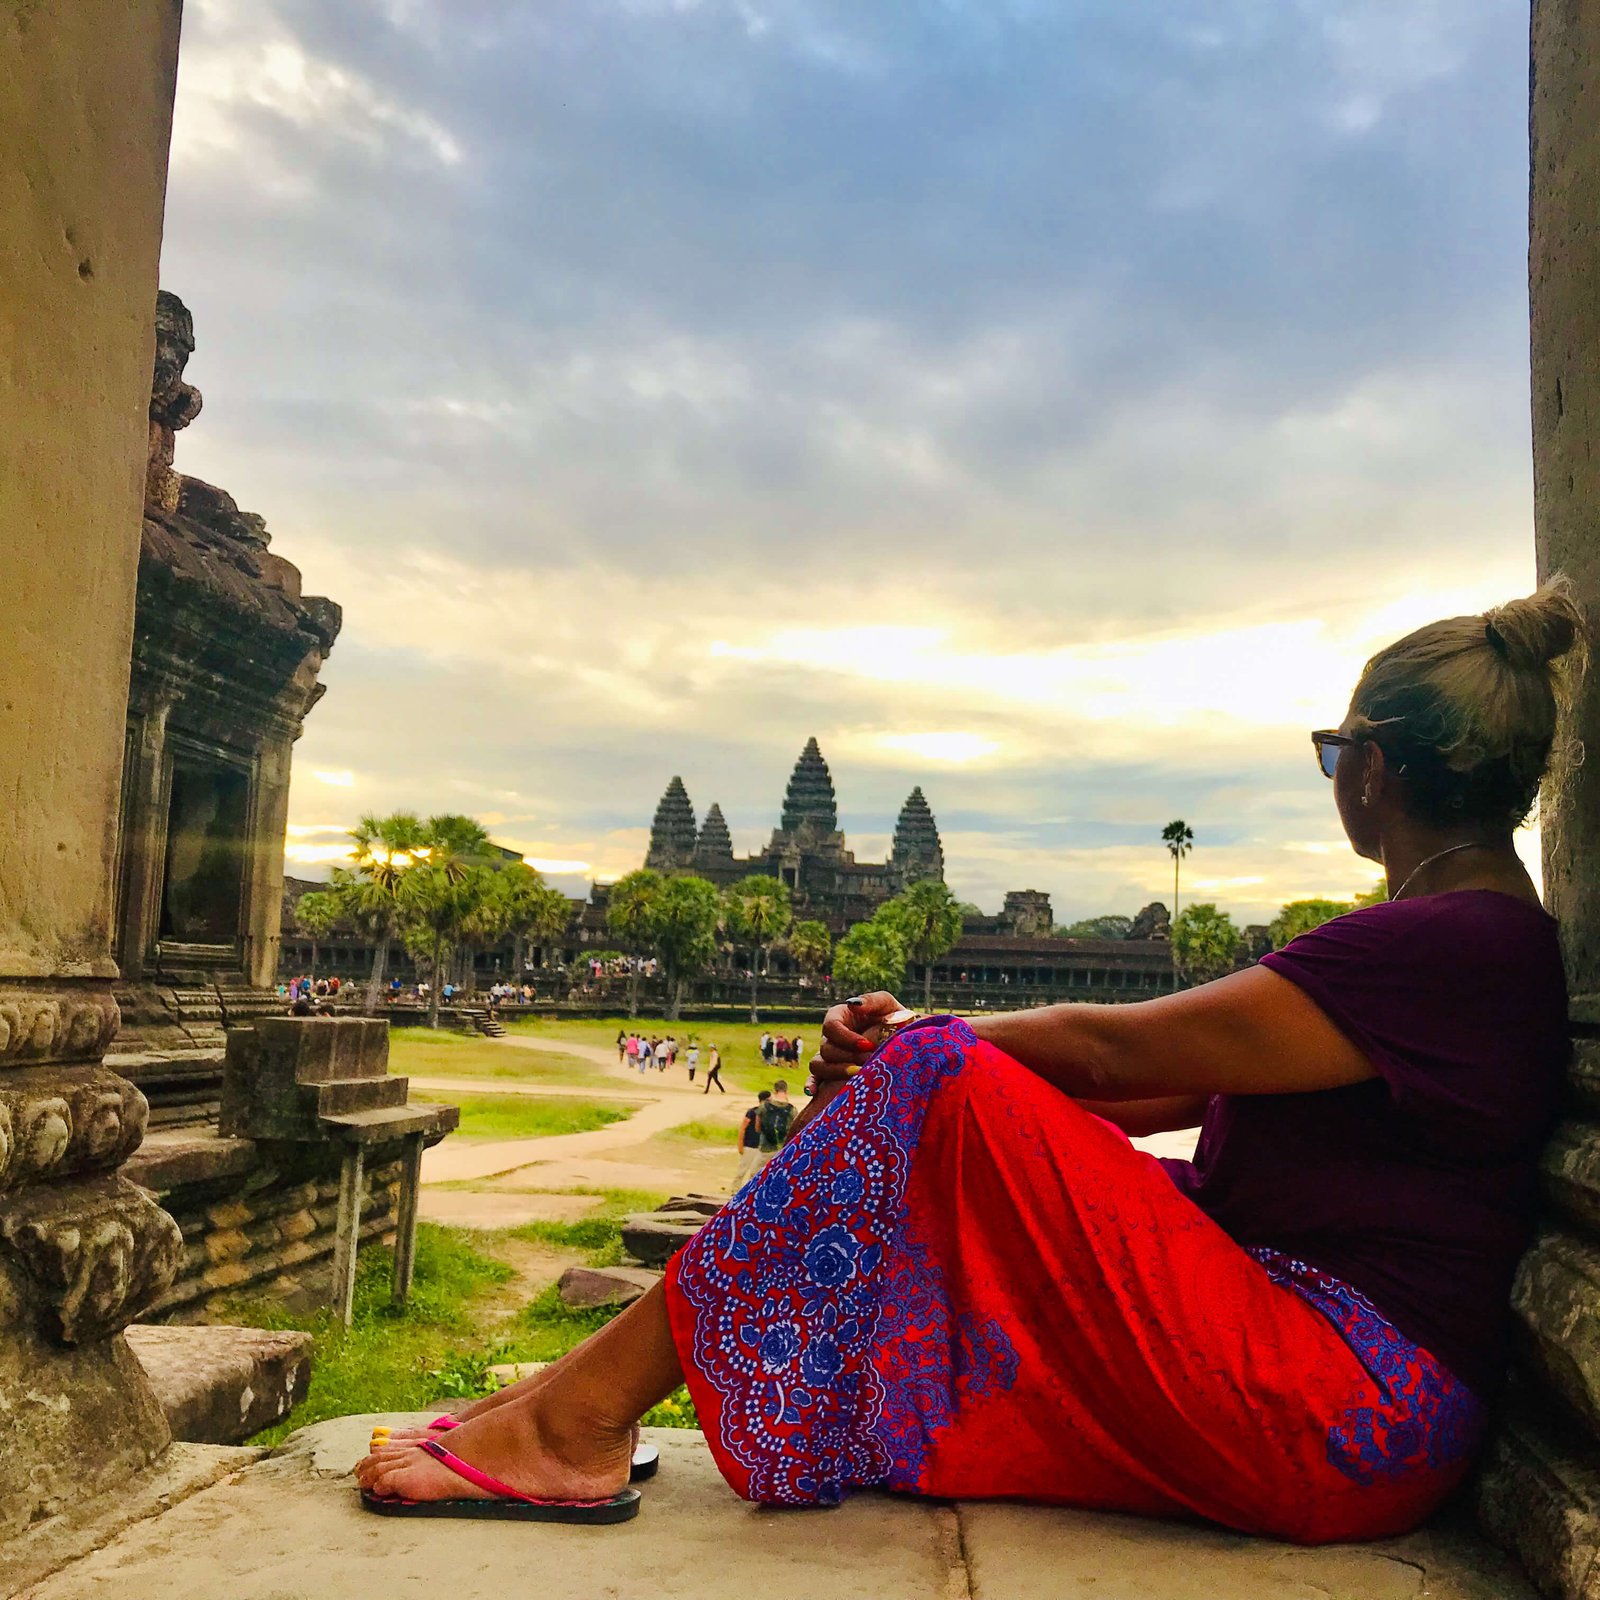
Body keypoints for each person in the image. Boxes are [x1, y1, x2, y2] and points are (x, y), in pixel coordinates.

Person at [357, 584, 1577, 1544]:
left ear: (1372, 766)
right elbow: (1161, 1089)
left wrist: (913, 1057)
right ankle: (562, 1403)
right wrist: (908, 1093)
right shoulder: (1461, 937)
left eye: (1332, 755)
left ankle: (573, 1421)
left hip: (1337, 1404)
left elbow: (1109, 1046)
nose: (1335, 781)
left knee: (939, 1076)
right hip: (1325, 1383)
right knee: (940, 1096)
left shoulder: (1448, 942)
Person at [732, 1091, 770, 1192]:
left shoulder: (769, 1115)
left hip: (761, 1147)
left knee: (756, 1171)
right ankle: (735, 1190)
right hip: (750, 1145)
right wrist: (740, 1143)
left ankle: (750, 1191)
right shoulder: (752, 1112)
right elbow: (743, 1128)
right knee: (743, 1169)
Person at [758, 1079, 794, 1156]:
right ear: (786, 1091)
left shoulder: (764, 1106)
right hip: (783, 1149)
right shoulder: (792, 1109)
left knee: (757, 1168)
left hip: (765, 1149)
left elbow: (757, 1128)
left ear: (774, 1091)